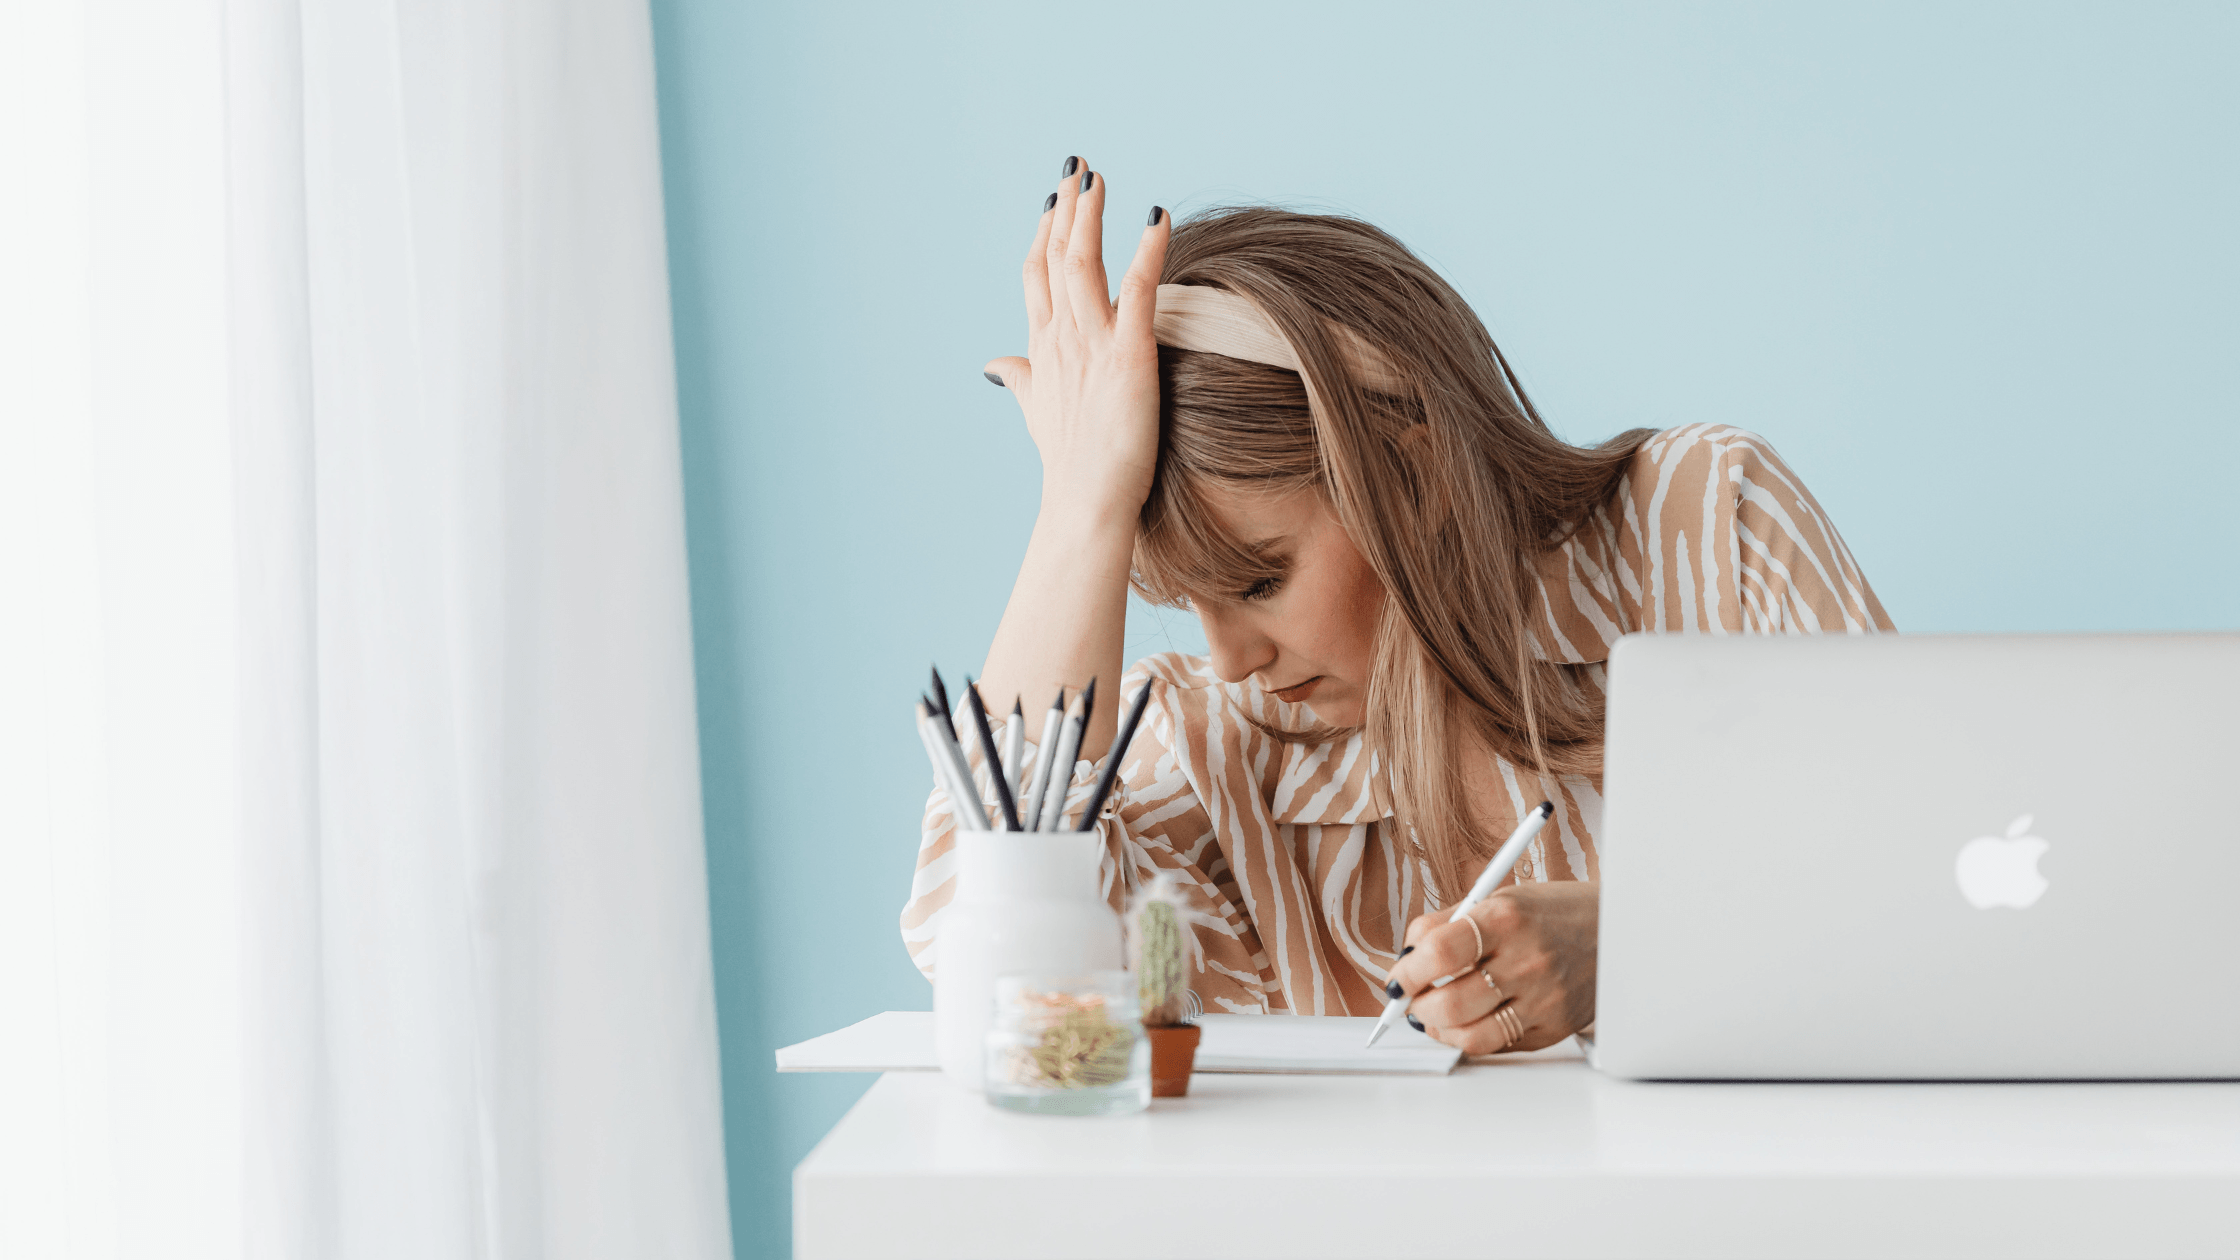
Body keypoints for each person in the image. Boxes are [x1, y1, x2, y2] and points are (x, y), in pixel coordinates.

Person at [900, 156, 1892, 1055]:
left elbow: (1927, 889)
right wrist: (1079, 509)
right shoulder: (1204, 746)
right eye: (1184, 601)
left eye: (1257, 580)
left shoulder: (1704, 531)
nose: (1233, 657)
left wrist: (1641, 940)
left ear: (1409, 475)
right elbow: (993, 982)